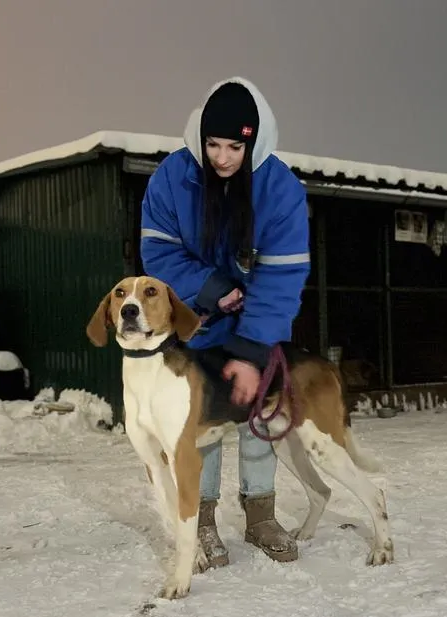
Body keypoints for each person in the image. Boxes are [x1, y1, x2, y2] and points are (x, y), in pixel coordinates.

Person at [139, 76, 311, 567]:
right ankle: (206, 521)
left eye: (234, 145)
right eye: (212, 144)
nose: (221, 157)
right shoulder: (173, 178)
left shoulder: (280, 189)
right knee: (201, 426)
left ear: (253, 140)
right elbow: (158, 252)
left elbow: (282, 276)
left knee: (258, 420)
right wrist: (210, 287)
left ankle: (261, 516)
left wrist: (255, 352)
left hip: (256, 321)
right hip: (196, 324)